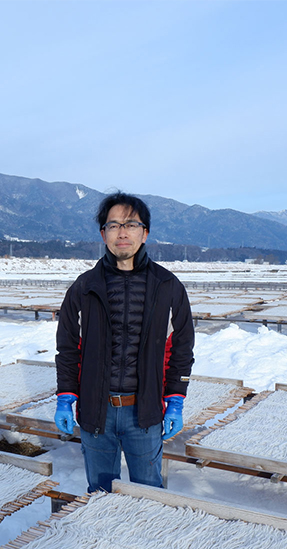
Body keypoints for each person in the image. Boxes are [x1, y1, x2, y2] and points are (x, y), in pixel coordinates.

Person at [54, 192, 195, 493]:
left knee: (148, 493)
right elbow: (68, 351)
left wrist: (176, 400)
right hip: (96, 413)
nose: (122, 232)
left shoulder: (168, 287)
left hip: (144, 413)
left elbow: (181, 349)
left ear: (145, 233)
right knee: (101, 491)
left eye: (130, 224)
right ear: (103, 233)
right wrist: (65, 398)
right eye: (114, 224)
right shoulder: (83, 289)